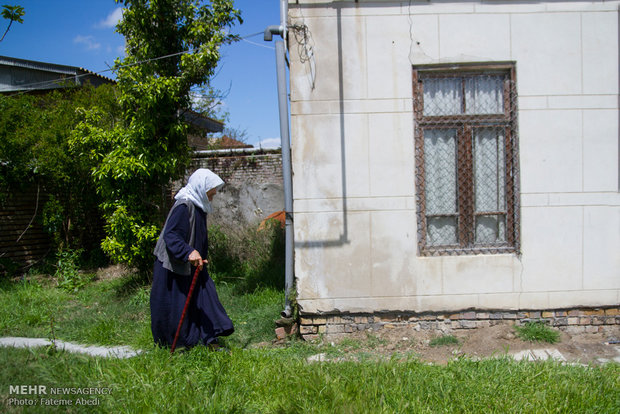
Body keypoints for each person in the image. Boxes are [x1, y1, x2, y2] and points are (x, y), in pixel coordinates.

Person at [150, 168, 234, 350]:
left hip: (194, 266)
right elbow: (171, 236)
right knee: (176, 309)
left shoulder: (199, 206)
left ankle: (209, 341)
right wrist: (188, 252)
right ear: (200, 188)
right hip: (173, 267)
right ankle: (177, 346)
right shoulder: (183, 205)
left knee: (206, 300)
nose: (213, 196)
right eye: (210, 192)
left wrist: (200, 256)